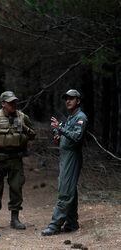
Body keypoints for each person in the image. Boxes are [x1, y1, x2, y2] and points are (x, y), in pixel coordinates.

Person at [0, 91, 36, 231]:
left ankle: (15, 218)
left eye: (14, 102)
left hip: (15, 159)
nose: (13, 104)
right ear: (3, 103)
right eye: (10, 102)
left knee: (16, 188)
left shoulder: (22, 117)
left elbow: (33, 134)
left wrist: (25, 128)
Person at [41, 89, 87, 236]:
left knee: (65, 191)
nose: (68, 101)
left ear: (78, 101)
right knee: (69, 188)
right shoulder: (70, 117)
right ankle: (72, 222)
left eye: (71, 98)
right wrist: (58, 134)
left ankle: (55, 225)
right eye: (66, 98)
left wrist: (60, 128)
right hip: (65, 156)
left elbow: (77, 137)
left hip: (72, 157)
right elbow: (66, 135)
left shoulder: (81, 117)